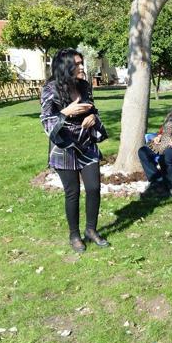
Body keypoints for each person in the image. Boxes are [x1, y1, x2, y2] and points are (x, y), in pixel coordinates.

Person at [40, 48, 109, 253]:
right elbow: (45, 120)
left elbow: (92, 109)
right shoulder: (50, 89)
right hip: (64, 148)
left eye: (81, 63)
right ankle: (74, 235)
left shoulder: (85, 86)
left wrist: (93, 118)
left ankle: (91, 230)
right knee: (72, 193)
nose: (81, 67)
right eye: (77, 64)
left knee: (94, 188)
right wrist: (65, 113)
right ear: (65, 67)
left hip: (87, 145)